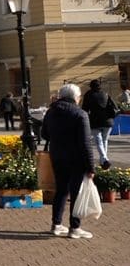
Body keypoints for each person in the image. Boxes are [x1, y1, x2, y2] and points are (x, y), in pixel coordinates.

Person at [41, 83, 95, 239]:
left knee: (61, 190)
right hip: (76, 158)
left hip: (57, 155)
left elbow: (44, 134)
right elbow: (86, 143)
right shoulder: (80, 114)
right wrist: (91, 167)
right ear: (75, 98)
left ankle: (56, 225)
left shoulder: (51, 112)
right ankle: (75, 228)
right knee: (76, 193)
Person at [81, 79, 117, 170]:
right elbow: (115, 107)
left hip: (94, 122)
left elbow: (84, 109)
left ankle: (104, 159)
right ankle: (103, 162)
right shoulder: (105, 94)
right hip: (108, 122)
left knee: (98, 141)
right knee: (104, 141)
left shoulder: (88, 95)